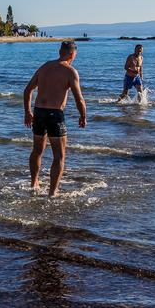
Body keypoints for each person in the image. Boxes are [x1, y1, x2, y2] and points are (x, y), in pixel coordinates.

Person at [22, 41, 87, 196]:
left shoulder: (44, 67)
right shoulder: (70, 72)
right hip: (54, 115)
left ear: (60, 51)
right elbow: (79, 99)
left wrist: (28, 112)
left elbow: (27, 90)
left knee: (37, 151)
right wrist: (83, 115)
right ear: (72, 54)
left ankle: (34, 183)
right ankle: (53, 192)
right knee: (59, 156)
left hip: (38, 112)